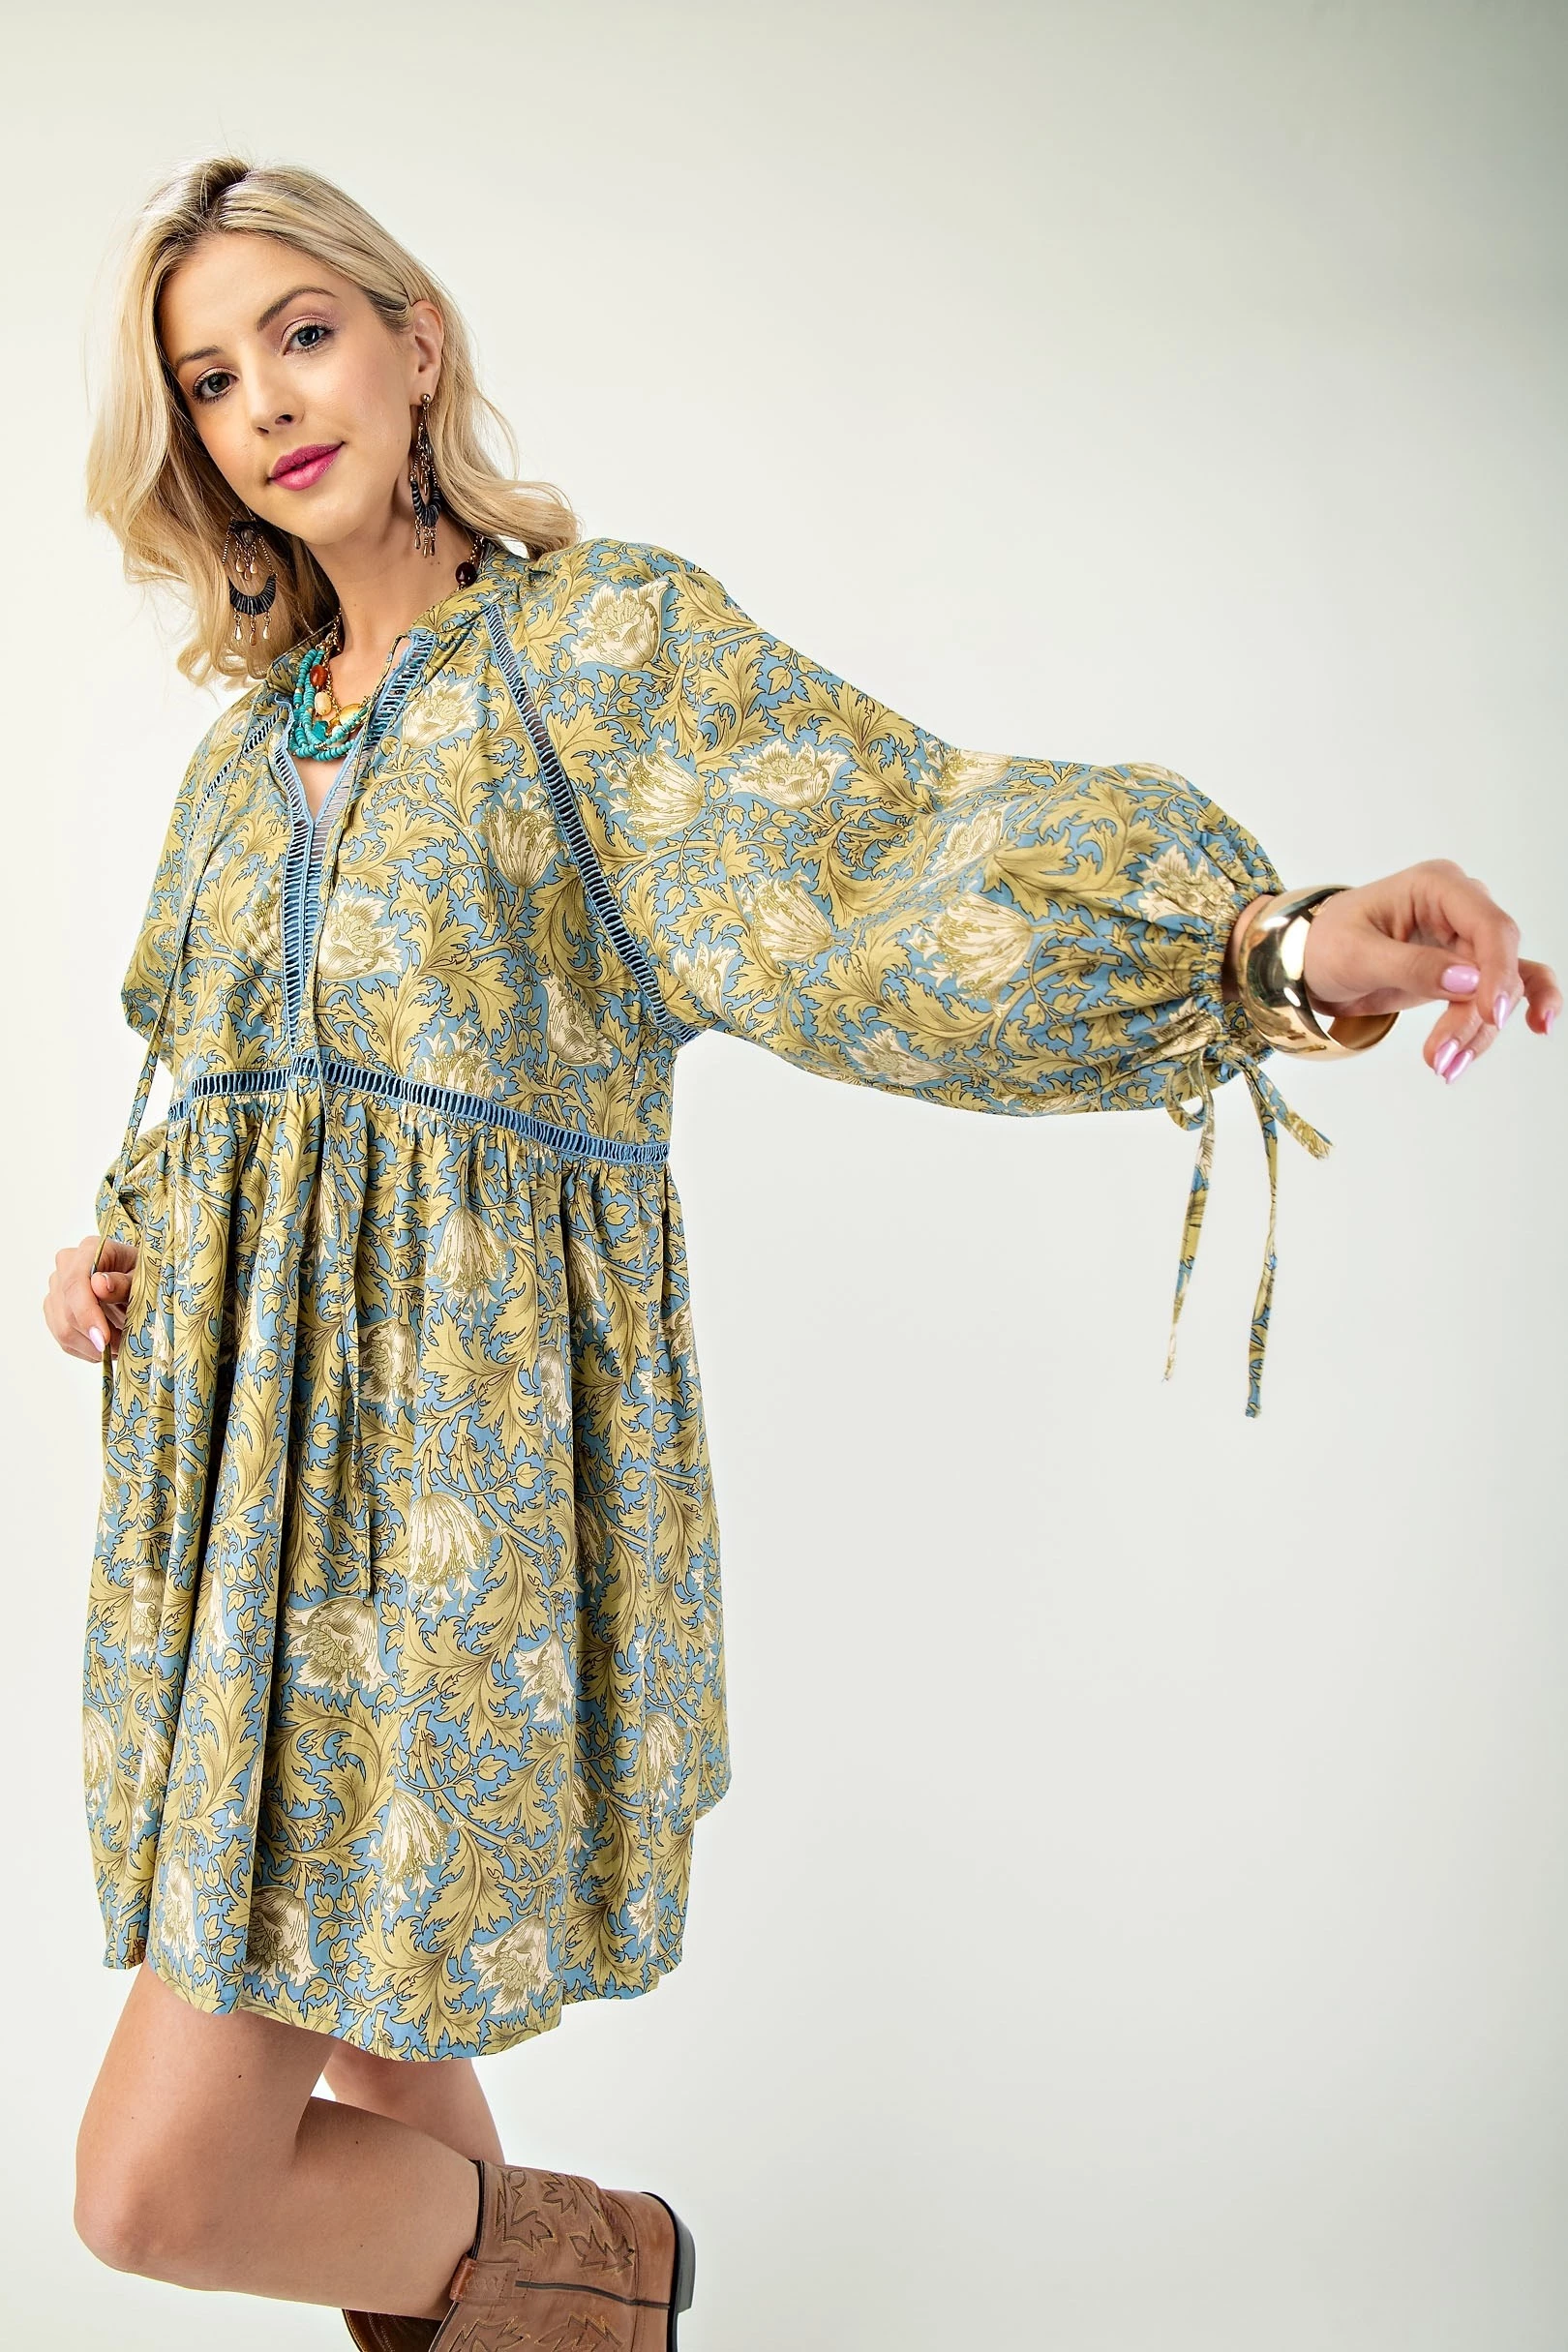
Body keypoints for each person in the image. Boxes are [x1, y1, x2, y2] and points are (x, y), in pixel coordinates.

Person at [45, 154, 1558, 2352]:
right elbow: (214, 1100)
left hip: (454, 1494)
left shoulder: (592, 651)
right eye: (208, 378)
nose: (265, 402)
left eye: (302, 333)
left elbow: (885, 872)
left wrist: (1273, 946)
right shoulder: (236, 759)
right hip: (242, 1518)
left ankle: (623, 2275)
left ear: (410, 344)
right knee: (376, 2041)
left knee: (157, 2193)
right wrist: (116, 1257)